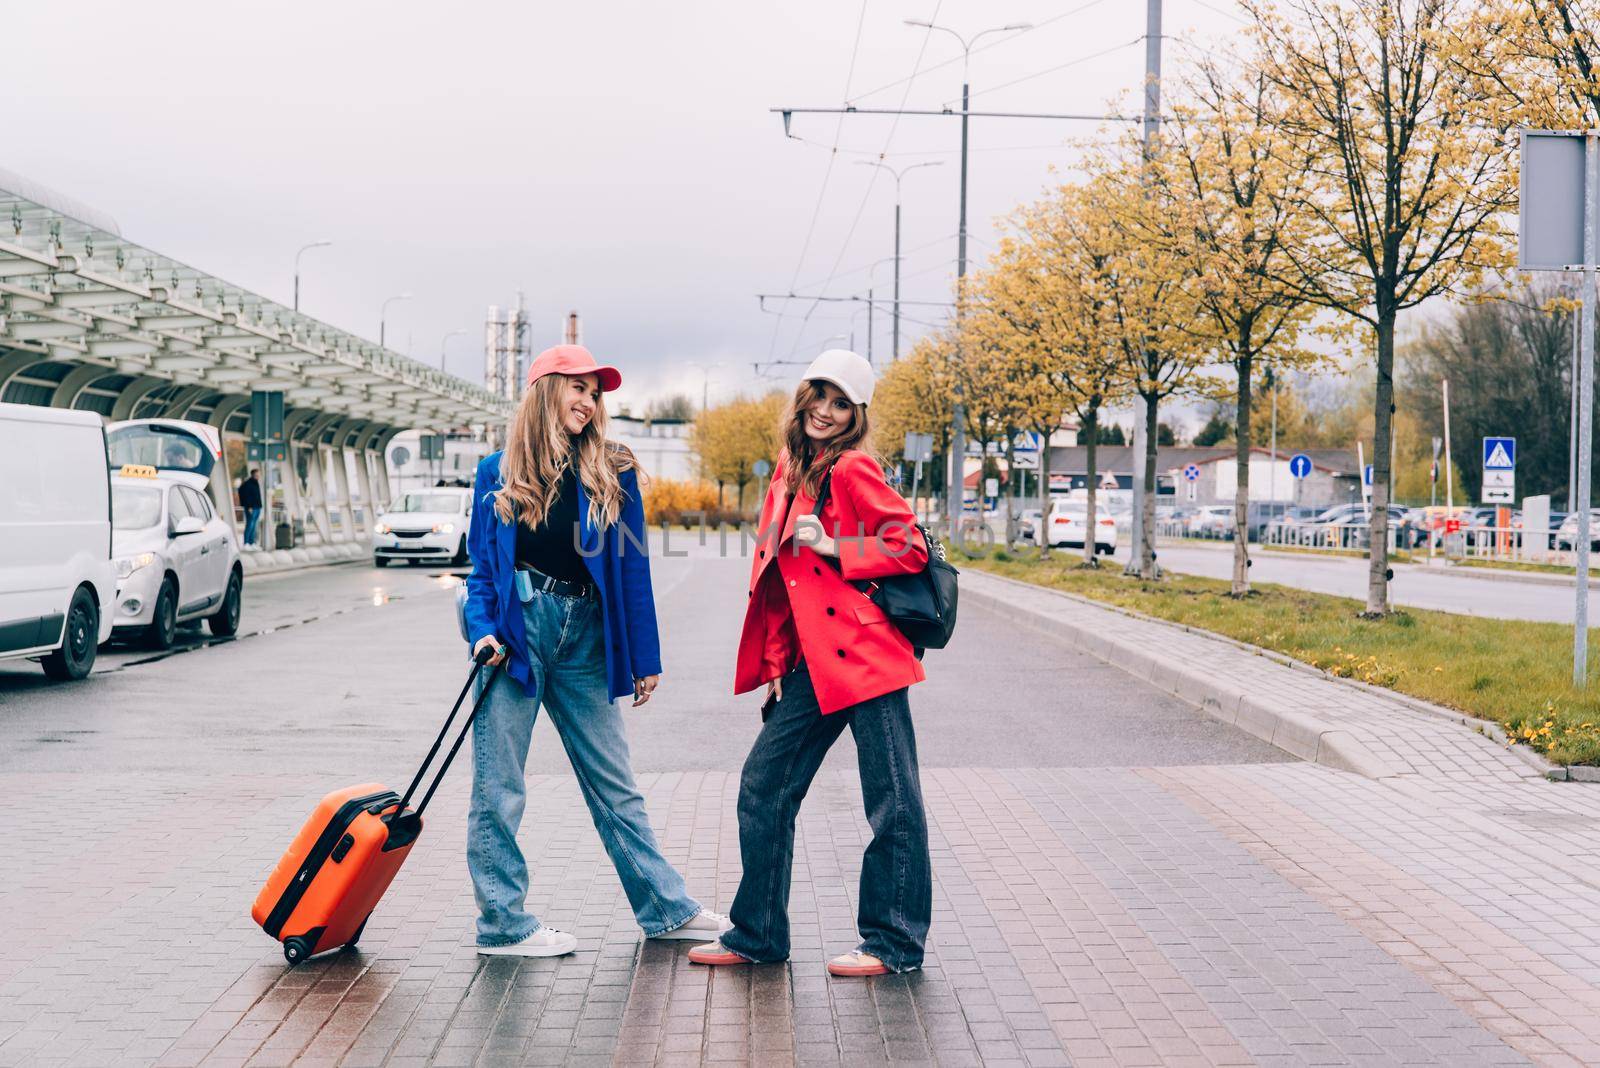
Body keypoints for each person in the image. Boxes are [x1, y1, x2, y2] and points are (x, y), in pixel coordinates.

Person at [461, 344, 729, 957]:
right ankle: (502, 925)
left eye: (594, 392)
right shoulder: (495, 474)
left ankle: (666, 908)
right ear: (543, 392)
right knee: (498, 786)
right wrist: (482, 631)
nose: (587, 401)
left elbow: (632, 569)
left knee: (615, 782)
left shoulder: (615, 469)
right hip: (515, 634)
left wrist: (644, 658)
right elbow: (479, 571)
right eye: (575, 387)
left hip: (586, 633)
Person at [688, 349, 933, 978]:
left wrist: (834, 543)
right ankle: (758, 934)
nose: (825, 411)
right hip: (812, 663)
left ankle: (894, 944)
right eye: (818, 395)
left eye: (841, 403)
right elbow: (777, 580)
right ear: (801, 398)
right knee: (764, 786)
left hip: (868, 656)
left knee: (893, 800)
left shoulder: (853, 468)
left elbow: (910, 546)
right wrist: (776, 660)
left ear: (856, 415)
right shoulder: (790, 470)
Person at [239, 469, 262, 548]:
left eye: (258, 475)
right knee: (250, 525)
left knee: (254, 526)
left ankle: (252, 543)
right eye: (256, 475)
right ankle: (246, 543)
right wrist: (248, 506)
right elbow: (246, 496)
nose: (258, 476)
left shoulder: (256, 483)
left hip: (257, 507)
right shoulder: (248, 484)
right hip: (251, 508)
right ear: (252, 475)